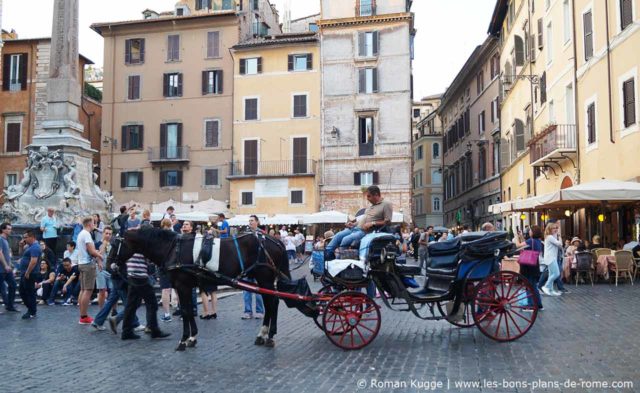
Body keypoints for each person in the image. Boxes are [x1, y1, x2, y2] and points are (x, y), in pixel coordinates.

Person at [327, 186, 393, 259]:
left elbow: (388, 222)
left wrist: (372, 223)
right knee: (338, 236)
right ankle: (326, 256)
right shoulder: (371, 205)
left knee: (345, 240)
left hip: (366, 232)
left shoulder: (386, 204)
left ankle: (339, 262)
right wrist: (353, 224)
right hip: (356, 228)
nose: (367, 199)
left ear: (376, 195)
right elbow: (364, 218)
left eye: (369, 196)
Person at [121, 253, 170, 340]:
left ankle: (126, 331)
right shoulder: (138, 242)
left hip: (132, 274)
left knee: (131, 305)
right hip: (139, 276)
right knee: (152, 303)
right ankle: (154, 330)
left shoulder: (131, 242)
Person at [77, 216, 103, 325]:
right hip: (87, 264)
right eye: (94, 223)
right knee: (88, 290)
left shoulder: (81, 234)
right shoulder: (87, 234)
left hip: (81, 263)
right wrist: (100, 256)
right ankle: (83, 316)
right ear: (89, 224)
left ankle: (83, 315)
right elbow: (91, 251)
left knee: (83, 290)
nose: (95, 225)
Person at [242, 215, 265, 320]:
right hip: (247, 266)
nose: (250, 222)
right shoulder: (245, 234)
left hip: (258, 266)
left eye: (252, 221)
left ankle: (260, 311)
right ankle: (248, 311)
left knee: (258, 291)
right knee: (246, 290)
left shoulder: (261, 234)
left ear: (257, 222)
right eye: (249, 221)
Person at [18, 230, 42, 319]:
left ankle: (32, 311)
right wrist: (21, 246)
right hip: (25, 273)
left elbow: (33, 261)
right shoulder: (29, 246)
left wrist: (28, 272)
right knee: (22, 291)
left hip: (30, 273)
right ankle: (31, 309)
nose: (24, 239)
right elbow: (21, 255)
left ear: (32, 237)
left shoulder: (35, 247)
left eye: (25, 237)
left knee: (29, 292)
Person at [522, 225, 544, 311]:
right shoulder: (538, 241)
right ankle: (538, 304)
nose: (529, 232)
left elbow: (518, 245)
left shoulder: (530, 241)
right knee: (533, 285)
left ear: (533, 232)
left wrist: (517, 237)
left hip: (529, 265)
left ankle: (531, 304)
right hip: (535, 264)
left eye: (530, 230)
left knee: (529, 285)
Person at [0, 223, 19, 312]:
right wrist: (6, 265)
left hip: (6, 269)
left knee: (13, 285)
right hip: (1, 269)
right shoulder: (0, 239)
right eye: (8, 229)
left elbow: (7, 255)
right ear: (3, 230)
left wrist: (10, 264)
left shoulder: (6, 240)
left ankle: (9, 305)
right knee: (3, 288)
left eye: (10, 229)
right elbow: (0, 253)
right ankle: (8, 305)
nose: (10, 230)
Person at [540, 223, 563, 297]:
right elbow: (560, 244)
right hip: (551, 258)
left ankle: (551, 290)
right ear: (549, 229)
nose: (555, 229)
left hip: (551, 258)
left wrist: (557, 235)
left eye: (556, 228)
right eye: (553, 228)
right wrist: (560, 236)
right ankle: (546, 286)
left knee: (551, 274)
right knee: (556, 273)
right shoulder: (550, 237)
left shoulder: (551, 237)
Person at [95, 226, 113, 309]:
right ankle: (101, 311)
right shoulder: (97, 244)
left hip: (111, 270)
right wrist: (104, 245)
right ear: (103, 234)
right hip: (100, 269)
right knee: (102, 290)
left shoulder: (113, 245)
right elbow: (96, 256)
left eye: (110, 234)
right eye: (106, 233)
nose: (108, 235)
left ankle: (114, 311)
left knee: (113, 291)